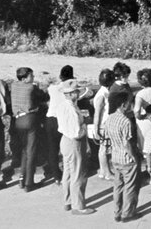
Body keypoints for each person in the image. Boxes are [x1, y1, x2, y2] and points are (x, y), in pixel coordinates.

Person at [51, 71, 94, 215]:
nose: (77, 94)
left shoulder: (63, 105)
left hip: (65, 141)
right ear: (71, 94)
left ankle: (68, 201)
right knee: (78, 174)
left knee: (68, 173)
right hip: (74, 142)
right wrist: (85, 125)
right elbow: (76, 132)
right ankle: (78, 206)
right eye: (76, 92)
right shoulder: (71, 109)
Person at [102, 90, 141, 222]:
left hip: (115, 157)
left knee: (117, 186)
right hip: (126, 158)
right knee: (130, 187)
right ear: (124, 105)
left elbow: (107, 138)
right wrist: (134, 157)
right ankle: (127, 213)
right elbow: (127, 144)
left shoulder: (110, 118)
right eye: (129, 103)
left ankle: (117, 212)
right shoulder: (125, 121)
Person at [8, 67, 45, 192]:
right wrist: (37, 87)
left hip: (18, 121)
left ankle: (22, 178)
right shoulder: (31, 88)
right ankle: (29, 183)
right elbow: (44, 97)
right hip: (30, 120)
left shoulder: (14, 85)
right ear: (24, 78)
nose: (33, 78)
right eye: (31, 76)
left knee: (24, 150)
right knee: (31, 151)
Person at [90, 69, 116, 182]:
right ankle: (107, 172)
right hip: (103, 125)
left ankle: (103, 170)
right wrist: (96, 128)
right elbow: (97, 113)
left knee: (103, 149)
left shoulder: (104, 92)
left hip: (103, 124)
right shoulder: (102, 95)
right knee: (104, 149)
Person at [134, 68, 151, 168]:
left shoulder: (140, 94)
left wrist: (143, 116)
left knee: (147, 148)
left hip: (145, 122)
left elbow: (136, 112)